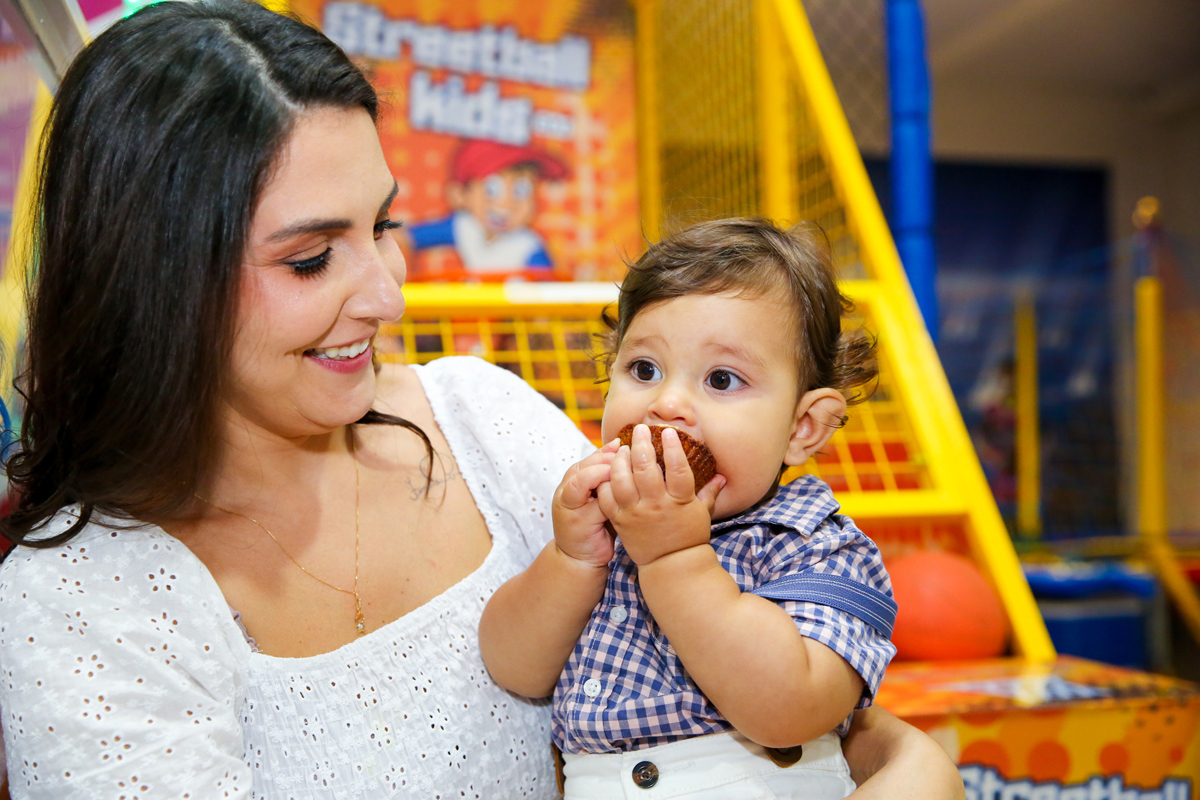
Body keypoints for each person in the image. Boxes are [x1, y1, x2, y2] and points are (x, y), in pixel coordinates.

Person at [0, 2, 964, 798]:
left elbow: (785, 704)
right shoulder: (85, 607)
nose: (387, 295)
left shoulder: (485, 422)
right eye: (311, 257)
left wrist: (907, 761)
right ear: (156, 279)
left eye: (385, 226)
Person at [480, 219, 896, 798]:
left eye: (721, 379)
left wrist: (675, 558)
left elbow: (792, 710)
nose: (668, 403)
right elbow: (512, 668)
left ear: (802, 426)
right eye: (643, 370)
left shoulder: (813, 544)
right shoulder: (607, 526)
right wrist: (571, 559)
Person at [402, 139, 567, 278]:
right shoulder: (465, 226)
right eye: (491, 189)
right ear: (460, 194)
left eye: (521, 190)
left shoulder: (527, 246)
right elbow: (410, 236)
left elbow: (549, 290)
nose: (505, 204)